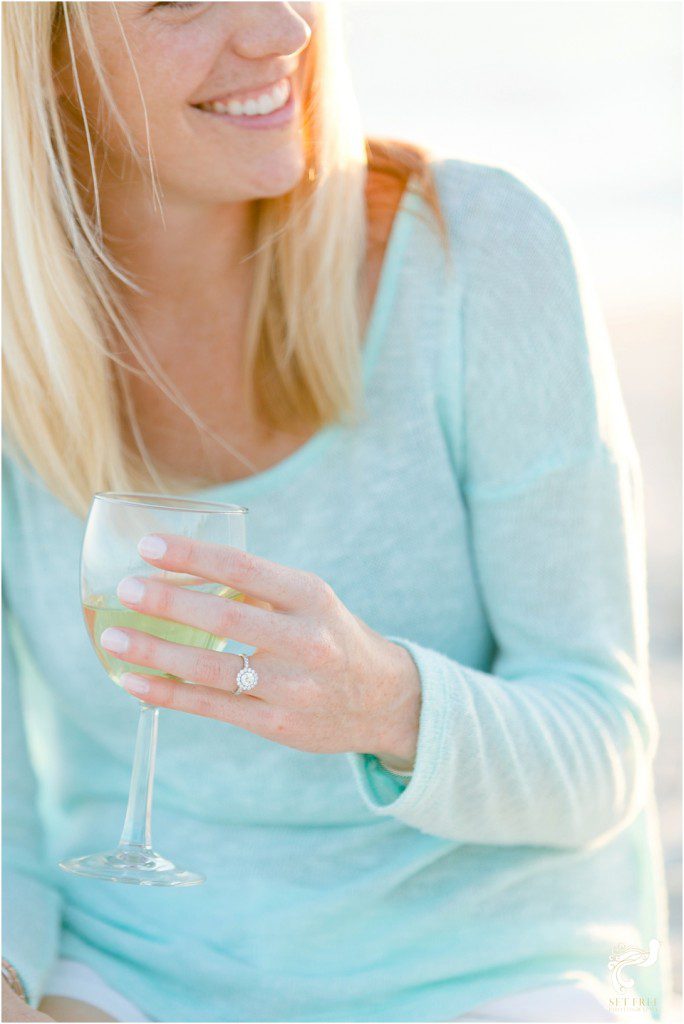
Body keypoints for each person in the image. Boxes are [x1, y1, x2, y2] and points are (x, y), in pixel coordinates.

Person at [1, 2, 671, 1022]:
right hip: (134, 964)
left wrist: (381, 701)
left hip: (486, 968)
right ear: (44, 60)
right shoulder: (17, 340)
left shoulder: (480, 252)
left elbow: (601, 752)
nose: (281, 31)